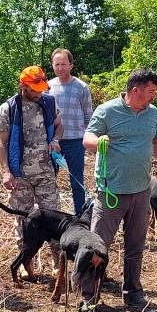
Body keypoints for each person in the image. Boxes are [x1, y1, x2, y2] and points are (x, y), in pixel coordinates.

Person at [81, 68, 157, 309]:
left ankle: (133, 291)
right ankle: (89, 295)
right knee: (97, 245)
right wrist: (98, 141)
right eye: (151, 91)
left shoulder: (152, 114)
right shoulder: (107, 111)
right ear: (135, 90)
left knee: (135, 246)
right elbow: (87, 138)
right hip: (111, 191)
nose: (154, 96)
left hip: (141, 191)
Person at [0, 66, 63, 277]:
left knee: (55, 218)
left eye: (41, 88)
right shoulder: (9, 108)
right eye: (34, 89)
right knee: (23, 220)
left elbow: (59, 126)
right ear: (22, 86)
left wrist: (55, 140)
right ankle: (27, 264)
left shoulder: (49, 102)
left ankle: (58, 263)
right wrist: (6, 172)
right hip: (20, 175)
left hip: (45, 173)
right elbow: (2, 142)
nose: (38, 93)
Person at [48, 48, 93, 215]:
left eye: (64, 64)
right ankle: (53, 218)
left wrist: (88, 137)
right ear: (52, 66)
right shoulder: (48, 86)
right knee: (50, 182)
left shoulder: (81, 87)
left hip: (75, 140)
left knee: (77, 182)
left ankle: (80, 218)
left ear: (71, 65)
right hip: (54, 142)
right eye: (57, 64)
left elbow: (89, 114)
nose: (60, 68)